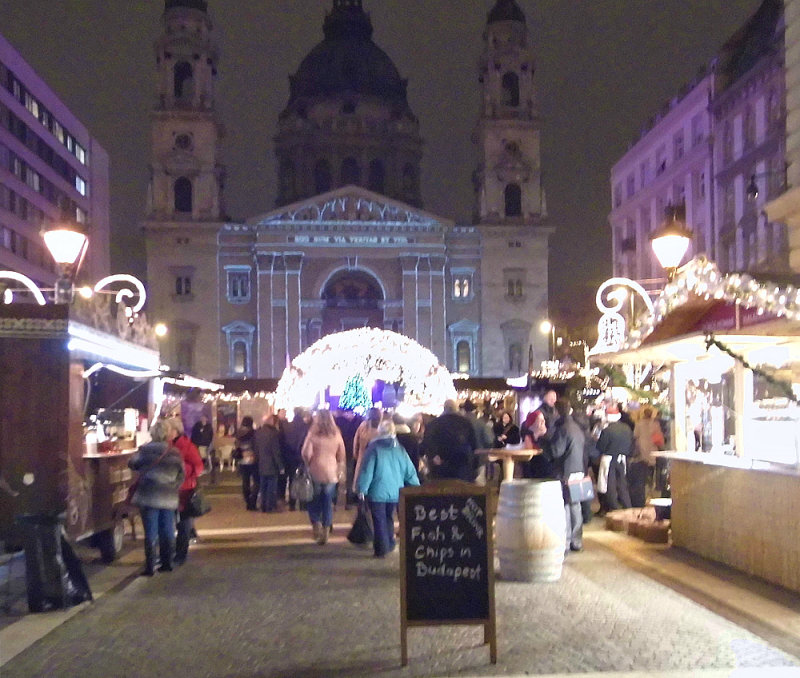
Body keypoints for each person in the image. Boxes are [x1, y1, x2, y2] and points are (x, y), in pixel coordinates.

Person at [128, 421, 185, 576]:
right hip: (168, 496)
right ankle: (167, 563)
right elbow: (182, 474)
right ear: (167, 434)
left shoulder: (145, 450)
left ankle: (150, 565)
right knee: (167, 530)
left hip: (149, 495)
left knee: (151, 531)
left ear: (152, 433)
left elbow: (132, 463)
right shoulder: (174, 452)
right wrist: (173, 486)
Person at [356, 419, 420, 557]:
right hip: (395, 491)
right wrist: (416, 486)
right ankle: (390, 543)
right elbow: (409, 470)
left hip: (377, 490)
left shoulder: (374, 448)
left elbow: (367, 470)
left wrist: (362, 489)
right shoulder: (399, 449)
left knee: (379, 519)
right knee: (389, 517)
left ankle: (381, 548)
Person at [545, 399, 587, 554]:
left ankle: (566, 541)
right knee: (575, 506)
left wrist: (545, 440)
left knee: (565, 506)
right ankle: (577, 541)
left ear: (557, 411)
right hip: (578, 469)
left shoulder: (563, 429)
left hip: (566, 472)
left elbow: (556, 451)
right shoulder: (577, 427)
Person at [301, 409, 346, 545]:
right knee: (327, 501)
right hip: (331, 472)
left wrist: (308, 462)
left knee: (313, 499)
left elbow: (305, 452)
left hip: (315, 469)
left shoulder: (313, 433)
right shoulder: (336, 434)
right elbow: (342, 454)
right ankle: (326, 529)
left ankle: (316, 525)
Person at [164, 418, 204, 566]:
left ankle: (181, 554)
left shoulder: (187, 445)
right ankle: (170, 552)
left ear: (175, 431)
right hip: (169, 489)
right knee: (170, 522)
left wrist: (184, 471)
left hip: (185, 489)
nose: (166, 433)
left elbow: (198, 466)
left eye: (168, 430)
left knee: (184, 523)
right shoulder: (166, 446)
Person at [420, 399, 478, 481]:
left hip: (440, 466)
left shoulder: (434, 424)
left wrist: (433, 456)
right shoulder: (465, 423)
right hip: (462, 465)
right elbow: (473, 445)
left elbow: (427, 444)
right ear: (456, 408)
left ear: (444, 408)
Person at [595, 406, 634, 513]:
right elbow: (631, 444)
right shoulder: (627, 428)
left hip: (609, 460)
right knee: (622, 485)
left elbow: (600, 447)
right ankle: (628, 507)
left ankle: (614, 508)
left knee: (610, 486)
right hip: (622, 459)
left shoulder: (607, 431)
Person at [630, 405, 662, 507]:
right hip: (653, 450)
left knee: (643, 473)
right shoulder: (655, 424)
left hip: (642, 450)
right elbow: (659, 438)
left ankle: (645, 491)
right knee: (652, 471)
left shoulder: (638, 424)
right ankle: (650, 489)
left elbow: (635, 436)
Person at [281, 408, 310, 510]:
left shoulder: (288, 426)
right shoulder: (306, 427)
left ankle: (292, 504)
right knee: (303, 480)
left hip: (289, 457)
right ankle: (303, 504)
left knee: (292, 479)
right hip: (302, 457)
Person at [254, 414, 284, 512]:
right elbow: (276, 451)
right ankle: (270, 507)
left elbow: (256, 449)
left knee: (263, 486)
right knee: (271, 487)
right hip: (272, 465)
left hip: (262, 463)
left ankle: (263, 506)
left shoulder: (259, 432)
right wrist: (280, 466)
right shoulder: (273, 433)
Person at [334, 408, 363, 508]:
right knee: (350, 476)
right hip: (351, 452)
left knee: (338, 475)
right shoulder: (359, 423)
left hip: (339, 452)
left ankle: (334, 500)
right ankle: (350, 500)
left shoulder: (338, 422)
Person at [351, 407, 382, 494]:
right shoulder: (382, 428)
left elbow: (355, 443)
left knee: (362, 484)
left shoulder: (363, 427)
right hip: (379, 461)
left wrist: (357, 455)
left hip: (363, 459)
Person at [235, 416, 259, 510]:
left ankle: (247, 500)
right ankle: (252, 502)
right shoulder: (253, 433)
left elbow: (237, 446)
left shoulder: (238, 433)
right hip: (252, 459)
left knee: (245, 481)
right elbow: (255, 445)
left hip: (242, 460)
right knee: (256, 481)